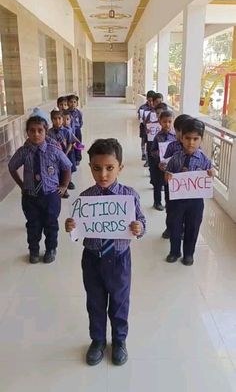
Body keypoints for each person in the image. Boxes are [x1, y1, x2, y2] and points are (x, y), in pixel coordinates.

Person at [65, 138, 146, 366]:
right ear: (89, 167)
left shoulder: (129, 196)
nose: (103, 174)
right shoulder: (85, 199)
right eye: (97, 168)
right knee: (95, 302)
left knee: (120, 302)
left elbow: (140, 220)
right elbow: (77, 230)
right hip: (92, 259)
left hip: (119, 259)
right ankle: (98, 340)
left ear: (120, 167)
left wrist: (139, 228)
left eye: (110, 168)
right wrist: (71, 226)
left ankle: (119, 341)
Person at [8, 115, 72, 264]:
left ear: (46, 131)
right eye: (32, 131)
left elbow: (67, 167)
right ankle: (34, 250)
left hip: (51, 196)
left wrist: (64, 186)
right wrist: (22, 185)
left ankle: (51, 249)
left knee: (51, 224)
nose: (36, 134)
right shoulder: (24, 151)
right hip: (30, 197)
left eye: (40, 131)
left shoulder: (53, 150)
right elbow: (11, 167)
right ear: (27, 132)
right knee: (33, 225)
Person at [165, 118, 214, 266]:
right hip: (177, 201)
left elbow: (208, 177)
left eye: (195, 139)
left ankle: (188, 254)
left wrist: (211, 173)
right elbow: (169, 174)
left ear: (201, 139)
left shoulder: (205, 160)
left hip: (196, 202)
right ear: (181, 137)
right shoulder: (176, 158)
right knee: (175, 226)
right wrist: (167, 175)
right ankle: (174, 251)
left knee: (192, 228)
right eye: (187, 138)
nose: (191, 142)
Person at [160, 114, 192, 239]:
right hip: (171, 185)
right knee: (170, 207)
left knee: (185, 209)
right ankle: (169, 227)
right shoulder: (172, 146)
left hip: (187, 187)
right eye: (181, 132)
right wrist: (162, 166)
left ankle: (183, 229)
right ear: (176, 131)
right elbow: (164, 162)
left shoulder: (195, 149)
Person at [150, 110, 176, 210]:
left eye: (170, 121)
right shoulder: (157, 137)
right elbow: (152, 151)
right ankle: (157, 202)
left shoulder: (175, 137)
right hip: (159, 166)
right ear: (160, 122)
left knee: (168, 185)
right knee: (158, 184)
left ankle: (168, 203)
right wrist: (159, 154)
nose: (167, 124)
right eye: (165, 121)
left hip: (170, 166)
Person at [48, 109, 75, 197]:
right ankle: (56, 188)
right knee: (56, 172)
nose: (57, 121)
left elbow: (70, 143)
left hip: (65, 155)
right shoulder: (49, 132)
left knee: (65, 172)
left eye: (59, 118)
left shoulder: (67, 131)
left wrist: (65, 154)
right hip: (54, 157)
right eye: (55, 119)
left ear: (62, 119)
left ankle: (65, 189)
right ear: (51, 120)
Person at [137, 90, 155, 161]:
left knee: (150, 142)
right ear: (146, 99)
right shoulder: (142, 107)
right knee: (143, 140)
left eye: (152, 101)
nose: (150, 102)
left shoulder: (155, 109)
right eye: (149, 100)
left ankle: (148, 155)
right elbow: (139, 117)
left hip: (152, 129)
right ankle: (143, 154)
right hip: (143, 127)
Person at [68, 94, 83, 165]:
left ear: (77, 103)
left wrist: (78, 128)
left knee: (79, 143)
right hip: (69, 131)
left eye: (74, 102)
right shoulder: (66, 113)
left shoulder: (79, 112)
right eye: (71, 102)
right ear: (68, 103)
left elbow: (81, 122)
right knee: (70, 144)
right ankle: (72, 157)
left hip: (77, 130)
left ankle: (78, 157)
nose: (73, 104)